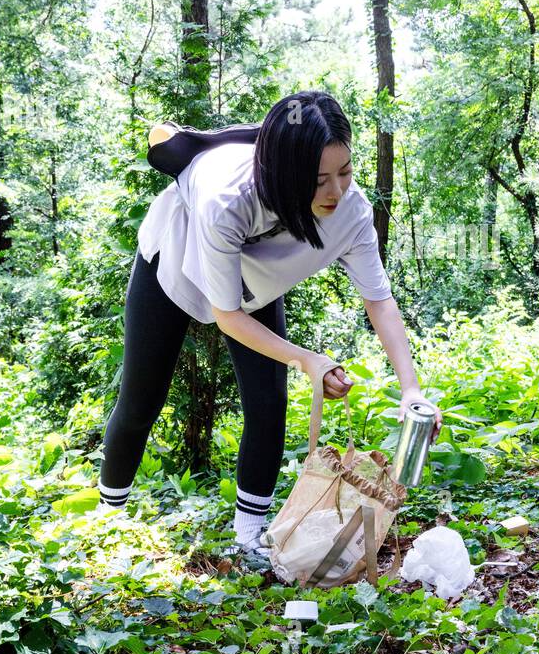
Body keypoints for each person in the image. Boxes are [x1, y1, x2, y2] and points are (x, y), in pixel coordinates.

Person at [95, 91, 441, 565]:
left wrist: (411, 389)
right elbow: (227, 317)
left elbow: (378, 300)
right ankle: (107, 522)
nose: (336, 192)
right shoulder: (228, 200)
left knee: (269, 400)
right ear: (282, 172)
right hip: (173, 265)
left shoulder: (352, 212)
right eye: (319, 179)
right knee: (141, 401)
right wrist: (306, 358)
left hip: (254, 285)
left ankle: (249, 535)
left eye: (345, 172)